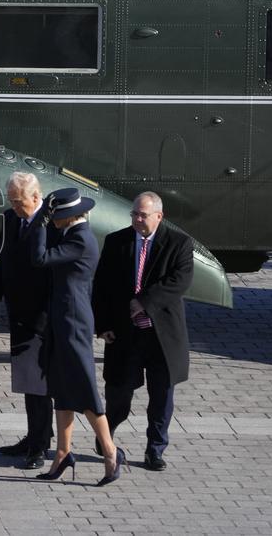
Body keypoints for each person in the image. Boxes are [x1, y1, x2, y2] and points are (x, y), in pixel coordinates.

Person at [28, 188, 126, 487]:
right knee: (61, 387)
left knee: (84, 388)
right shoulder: (71, 233)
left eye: (56, 216)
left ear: (69, 216)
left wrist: (39, 220)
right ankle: (62, 453)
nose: (52, 220)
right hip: (63, 321)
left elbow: (40, 258)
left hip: (74, 323)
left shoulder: (80, 238)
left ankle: (110, 452)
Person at [93, 192, 194, 472]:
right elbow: (101, 286)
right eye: (134, 214)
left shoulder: (179, 243)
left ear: (159, 216)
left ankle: (155, 450)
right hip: (125, 334)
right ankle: (106, 438)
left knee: (161, 397)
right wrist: (103, 325)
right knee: (119, 394)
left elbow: (180, 281)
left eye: (143, 215)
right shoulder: (117, 242)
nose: (137, 219)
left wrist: (144, 302)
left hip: (162, 337)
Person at [0, 172, 53, 470]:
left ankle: (40, 445)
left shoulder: (52, 223)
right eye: (11, 200)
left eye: (18, 201)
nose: (14, 206)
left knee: (39, 384)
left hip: (44, 317)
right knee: (27, 380)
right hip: (19, 313)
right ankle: (35, 436)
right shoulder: (10, 219)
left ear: (36, 198)